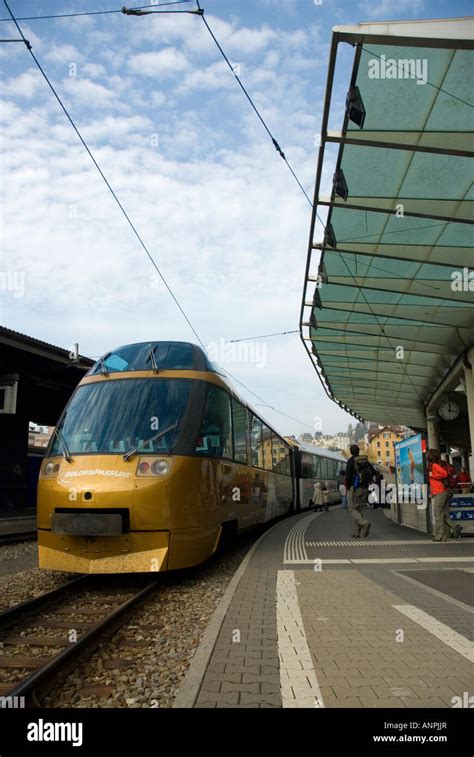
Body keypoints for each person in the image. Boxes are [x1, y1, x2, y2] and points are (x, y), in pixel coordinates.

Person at [428, 449, 462, 541]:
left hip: (440, 492)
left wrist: (432, 476)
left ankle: (439, 536)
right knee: (444, 514)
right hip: (444, 491)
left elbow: (444, 474)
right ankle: (455, 527)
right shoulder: (436, 464)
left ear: (430, 456)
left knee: (437, 514)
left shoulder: (434, 465)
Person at [345, 444, 375, 537]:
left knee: (351, 508)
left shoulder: (350, 461)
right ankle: (356, 532)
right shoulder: (364, 460)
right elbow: (373, 472)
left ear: (351, 452)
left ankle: (364, 523)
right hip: (365, 488)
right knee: (359, 509)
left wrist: (348, 487)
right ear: (358, 451)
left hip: (355, 488)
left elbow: (348, 476)